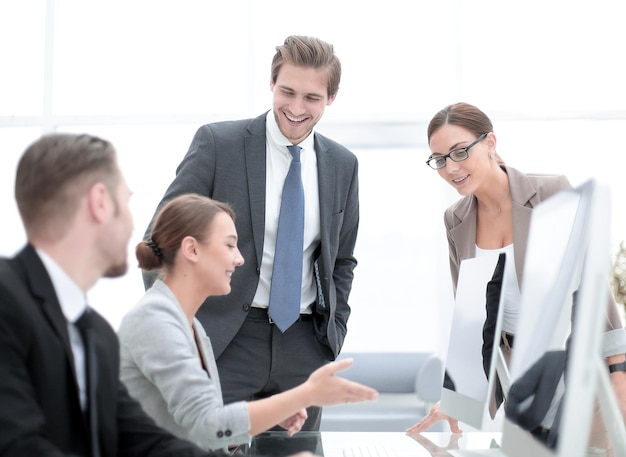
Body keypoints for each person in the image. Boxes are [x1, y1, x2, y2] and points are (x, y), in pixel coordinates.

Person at [143, 35, 360, 431]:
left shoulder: (342, 165)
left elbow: (342, 259)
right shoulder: (218, 144)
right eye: (287, 91)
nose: (296, 108)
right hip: (223, 340)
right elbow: (160, 240)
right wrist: (175, 332)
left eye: (311, 97)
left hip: (304, 346)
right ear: (271, 85)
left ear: (332, 97)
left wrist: (332, 333)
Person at [0, 134, 227, 456]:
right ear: (100, 202)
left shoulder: (97, 336)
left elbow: (145, 442)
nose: (134, 224)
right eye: (128, 201)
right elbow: (18, 446)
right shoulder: (7, 301)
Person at [406, 102, 626, 434]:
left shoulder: (551, 192)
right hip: (521, 378)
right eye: (440, 159)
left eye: (460, 152)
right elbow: (471, 318)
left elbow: (592, 285)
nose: (451, 168)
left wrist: (619, 372)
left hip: (576, 363)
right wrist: (458, 398)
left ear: (490, 142)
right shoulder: (456, 220)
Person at [119, 193, 377, 451]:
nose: (239, 259)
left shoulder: (190, 325)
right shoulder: (155, 322)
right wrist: (306, 394)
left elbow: (200, 430)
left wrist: (273, 410)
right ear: (192, 249)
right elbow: (208, 426)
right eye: (230, 245)